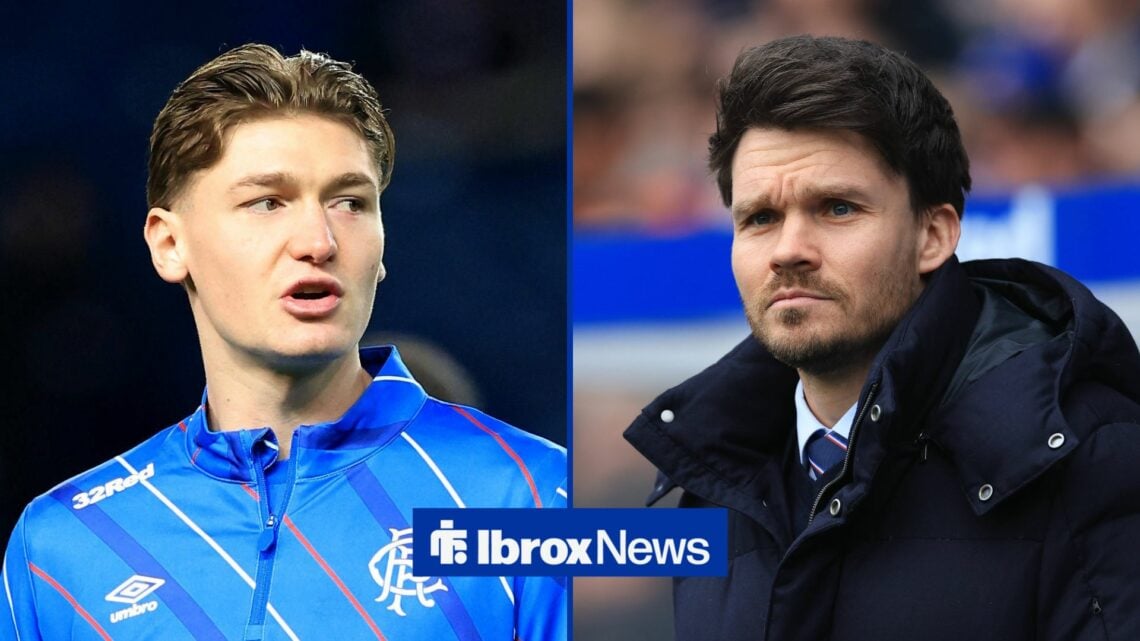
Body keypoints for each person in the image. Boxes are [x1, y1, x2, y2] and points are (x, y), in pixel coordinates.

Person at [1, 44, 567, 641]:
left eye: (350, 202)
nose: (318, 240)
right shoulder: (61, 546)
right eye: (267, 202)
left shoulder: (530, 498)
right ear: (169, 244)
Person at [624, 35, 1140, 641]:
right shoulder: (717, 489)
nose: (789, 250)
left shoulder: (1087, 458)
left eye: (837, 208)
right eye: (759, 218)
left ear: (933, 235)